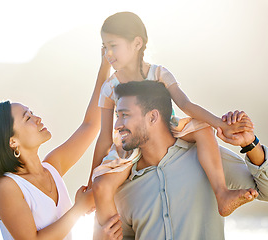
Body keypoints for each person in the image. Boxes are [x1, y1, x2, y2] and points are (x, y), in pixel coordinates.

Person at [90, 11, 255, 227]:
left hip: (166, 131)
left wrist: (221, 124)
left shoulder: (158, 73)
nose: (108, 53)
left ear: (137, 43)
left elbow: (185, 105)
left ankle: (222, 193)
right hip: (129, 144)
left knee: (203, 128)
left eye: (113, 45)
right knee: (102, 186)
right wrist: (90, 181)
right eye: (105, 47)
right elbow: (104, 137)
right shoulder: (109, 87)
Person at [95, 80, 268, 240]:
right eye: (117, 116)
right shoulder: (120, 185)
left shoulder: (207, 158)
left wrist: (250, 144)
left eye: (124, 116)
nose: (118, 125)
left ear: (153, 117)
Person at [0, 51, 110, 239]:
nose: (37, 118)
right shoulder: (6, 187)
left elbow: (91, 125)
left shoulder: (52, 166)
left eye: (32, 112)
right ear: (12, 141)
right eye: (27, 118)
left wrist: (105, 65)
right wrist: (79, 208)